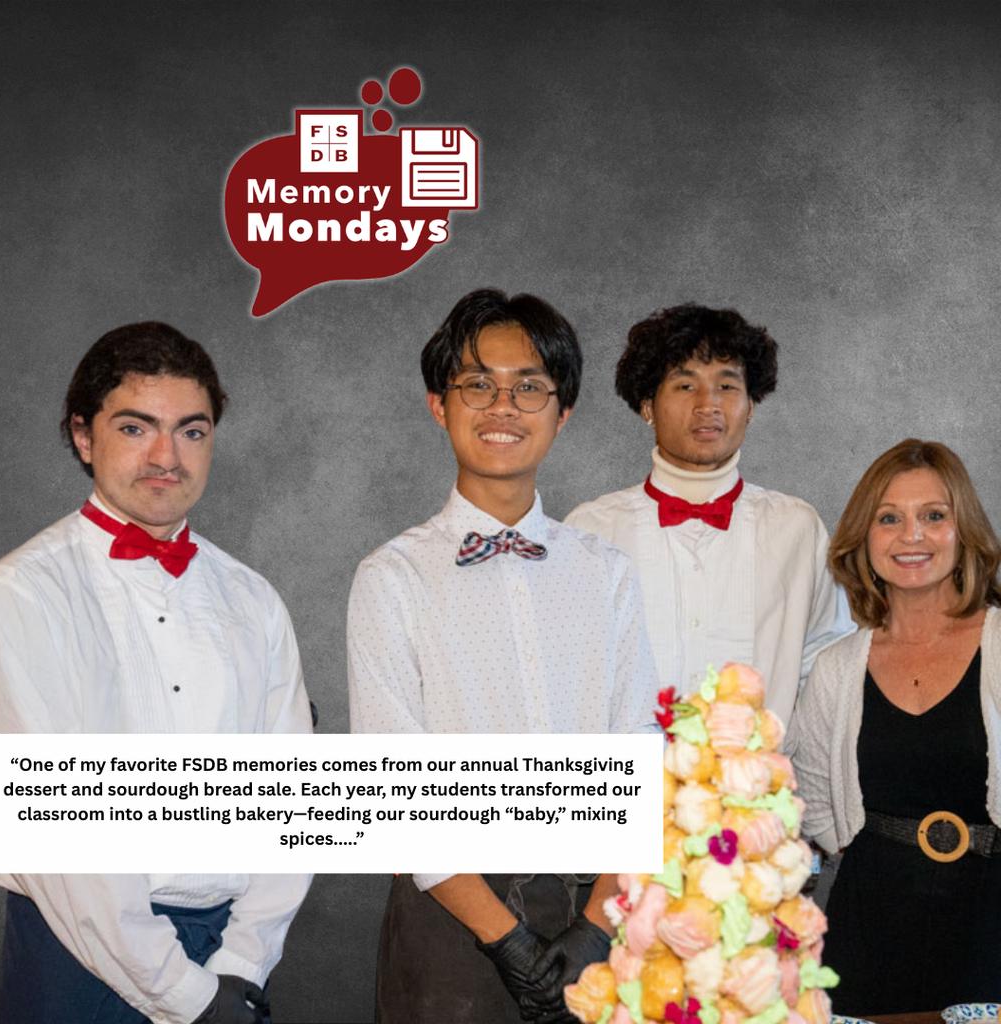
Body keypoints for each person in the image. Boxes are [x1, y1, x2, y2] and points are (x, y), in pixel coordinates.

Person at [0, 322, 313, 1024]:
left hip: (228, 956)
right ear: (83, 435)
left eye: (192, 431)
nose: (167, 456)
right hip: (74, 955)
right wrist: (185, 995)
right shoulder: (19, 593)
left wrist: (241, 963)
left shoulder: (254, 598)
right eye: (136, 428)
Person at [347, 289, 659, 1023]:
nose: (502, 406)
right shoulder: (391, 576)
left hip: (598, 904)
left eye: (529, 387)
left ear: (563, 411)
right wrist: (505, 937)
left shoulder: (606, 571)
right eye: (477, 384)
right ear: (438, 404)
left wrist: (597, 924)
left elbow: (640, 750)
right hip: (451, 913)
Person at [566, 303, 853, 727]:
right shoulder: (590, 530)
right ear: (647, 405)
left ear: (751, 406)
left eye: (727, 385)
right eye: (685, 386)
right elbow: (566, 676)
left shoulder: (797, 528)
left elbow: (827, 670)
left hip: (759, 788)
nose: (708, 405)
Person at [792, 439, 1001, 1012]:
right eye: (890, 518)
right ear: (865, 537)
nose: (912, 536)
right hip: (868, 927)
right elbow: (814, 802)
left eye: (934, 516)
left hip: (990, 927)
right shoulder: (838, 667)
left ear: (965, 533)